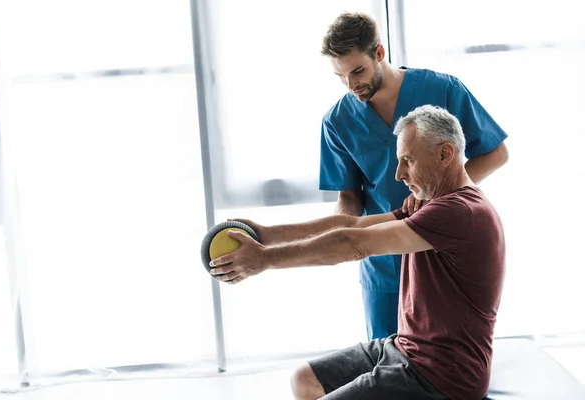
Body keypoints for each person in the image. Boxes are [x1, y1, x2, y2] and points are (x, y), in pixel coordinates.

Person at [209, 105, 506, 400]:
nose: (399, 174)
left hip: (443, 376)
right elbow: (352, 223)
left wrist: (264, 259)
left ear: (444, 154)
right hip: (405, 349)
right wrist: (266, 235)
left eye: (408, 161)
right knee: (305, 380)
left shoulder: (461, 212)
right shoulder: (432, 204)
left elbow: (354, 243)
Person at [318, 11, 509, 340]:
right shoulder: (336, 122)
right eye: (341, 76)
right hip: (385, 267)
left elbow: (496, 153)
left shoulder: (443, 90)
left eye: (358, 71)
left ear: (379, 53)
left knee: (445, 367)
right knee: (384, 366)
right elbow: (349, 198)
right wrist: (339, 238)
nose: (352, 85)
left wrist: (433, 196)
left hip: (443, 257)